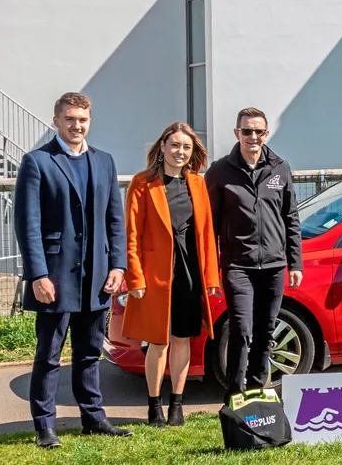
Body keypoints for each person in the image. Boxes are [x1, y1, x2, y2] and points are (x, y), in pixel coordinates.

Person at [13, 92, 133, 448]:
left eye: (82, 120)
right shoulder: (37, 162)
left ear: (89, 121)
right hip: (54, 275)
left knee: (89, 352)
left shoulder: (105, 161)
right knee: (49, 355)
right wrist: (38, 274)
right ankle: (44, 426)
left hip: (97, 277)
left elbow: (116, 220)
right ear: (56, 121)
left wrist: (118, 265)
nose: (76, 125)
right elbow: (28, 224)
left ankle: (94, 419)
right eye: (69, 119)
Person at [122, 123, 220, 427]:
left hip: (190, 273)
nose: (180, 152)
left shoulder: (197, 183)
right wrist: (134, 278)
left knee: (182, 340)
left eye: (186, 147)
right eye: (175, 145)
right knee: (158, 342)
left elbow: (206, 234)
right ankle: (155, 406)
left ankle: (177, 404)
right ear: (163, 146)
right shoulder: (142, 183)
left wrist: (212, 278)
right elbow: (131, 235)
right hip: (155, 276)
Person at [205, 108, 303, 399]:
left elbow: (291, 217)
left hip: (273, 266)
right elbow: (208, 225)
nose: (253, 137)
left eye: (258, 131)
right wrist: (211, 270)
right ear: (237, 133)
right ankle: (236, 395)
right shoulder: (220, 171)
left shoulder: (280, 168)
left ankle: (260, 391)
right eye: (246, 131)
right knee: (242, 330)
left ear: (266, 133)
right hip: (238, 266)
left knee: (265, 331)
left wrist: (294, 262)